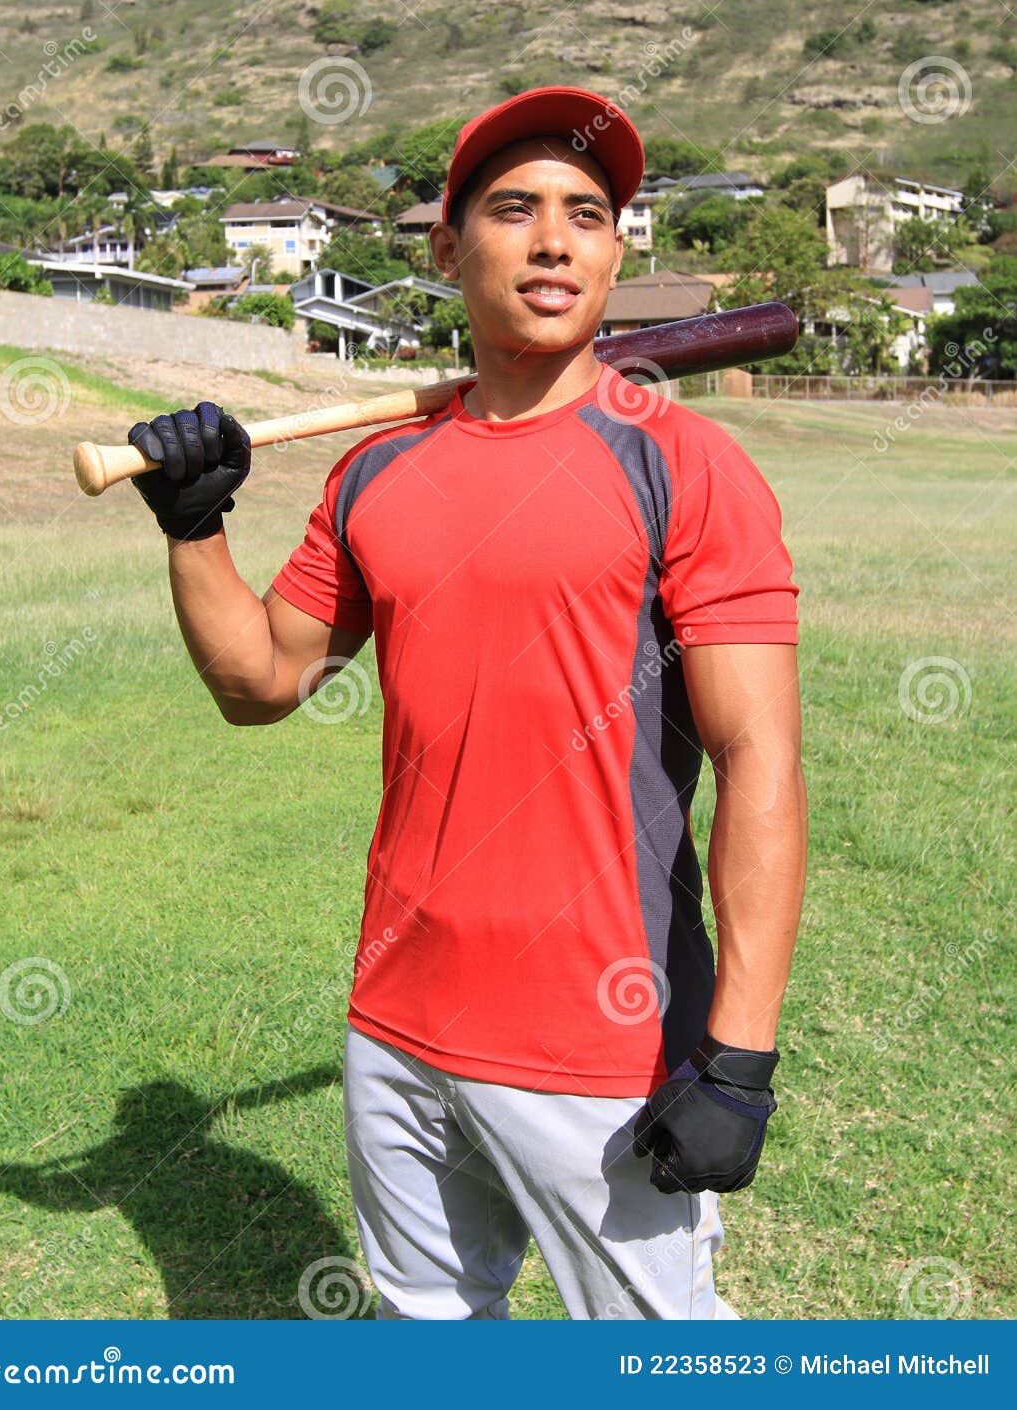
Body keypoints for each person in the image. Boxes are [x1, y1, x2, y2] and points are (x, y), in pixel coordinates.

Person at [128, 86, 807, 1321]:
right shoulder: (380, 467)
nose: (553, 240)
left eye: (586, 214)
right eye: (513, 209)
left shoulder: (681, 462)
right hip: (396, 1019)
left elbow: (757, 754)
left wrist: (741, 1055)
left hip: (606, 1041)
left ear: (613, 249)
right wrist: (194, 524)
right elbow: (262, 681)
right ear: (447, 250)